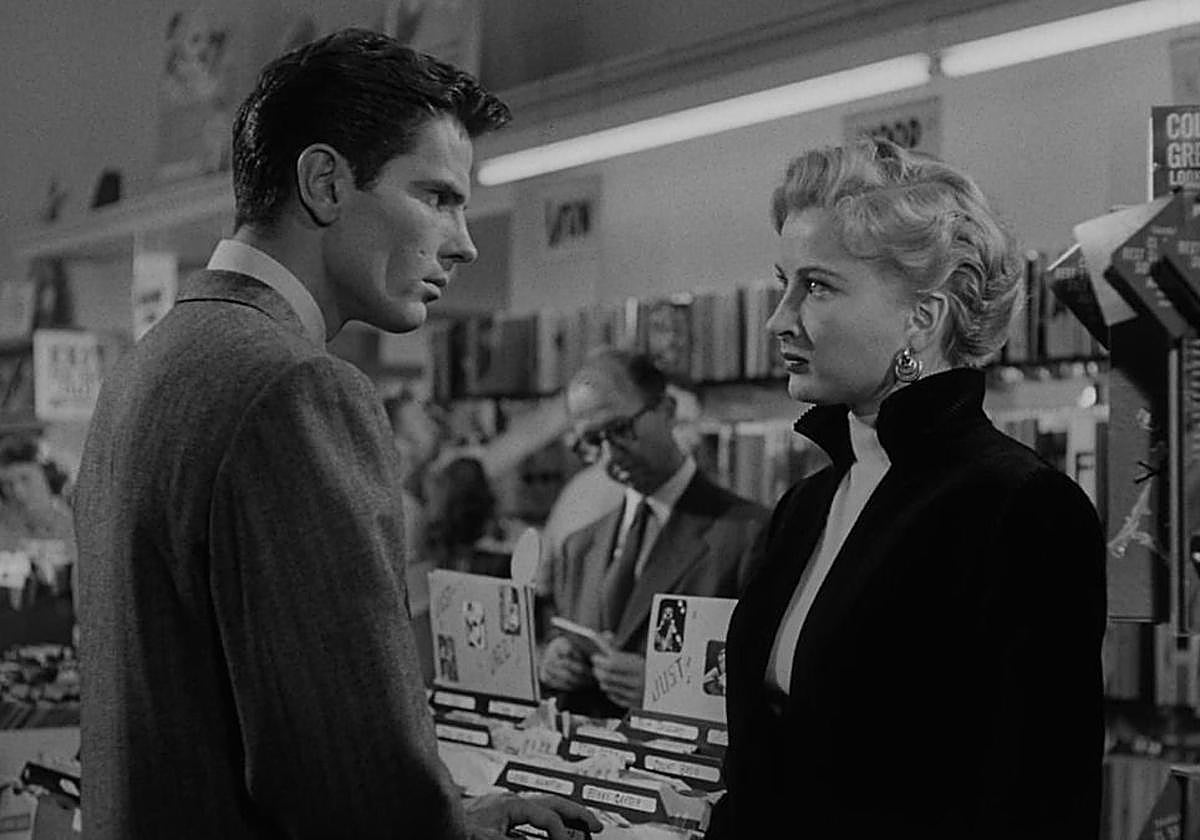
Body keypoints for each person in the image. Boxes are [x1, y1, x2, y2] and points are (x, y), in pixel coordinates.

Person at [72, 29, 598, 840]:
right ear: (324, 183)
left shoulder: (151, 363)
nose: (464, 241)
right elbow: (346, 770)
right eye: (438, 197)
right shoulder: (295, 386)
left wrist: (450, 818)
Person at [706, 139, 1106, 838]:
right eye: (783, 283)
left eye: (817, 287)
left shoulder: (1019, 506)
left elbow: (1037, 800)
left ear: (923, 318)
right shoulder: (806, 506)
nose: (778, 319)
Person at [536, 349, 768, 716]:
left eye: (621, 430)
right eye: (592, 442)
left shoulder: (748, 534)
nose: (610, 456)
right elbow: (563, 632)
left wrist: (668, 688)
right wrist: (556, 659)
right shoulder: (579, 546)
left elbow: (764, 674)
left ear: (667, 410)